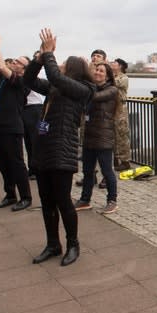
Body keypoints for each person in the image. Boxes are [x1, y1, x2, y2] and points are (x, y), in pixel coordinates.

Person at [23, 28, 95, 266]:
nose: (59, 65)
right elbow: (28, 80)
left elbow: (55, 76)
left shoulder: (82, 88)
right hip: (44, 148)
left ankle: (73, 243)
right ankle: (53, 243)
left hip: (62, 149)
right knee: (46, 200)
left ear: (72, 69)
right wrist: (37, 60)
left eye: (63, 63)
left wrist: (49, 53)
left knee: (63, 200)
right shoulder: (57, 87)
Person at [0, 33, 32, 212]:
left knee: (16, 164)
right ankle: (10, 194)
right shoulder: (4, 78)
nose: (15, 63)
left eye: (19, 62)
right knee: (3, 164)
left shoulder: (22, 80)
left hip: (12, 129)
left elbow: (2, 66)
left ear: (25, 68)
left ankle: (26, 196)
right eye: (15, 61)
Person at [74, 62, 119, 214]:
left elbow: (96, 96)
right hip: (89, 136)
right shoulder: (91, 88)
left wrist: (86, 84)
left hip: (103, 137)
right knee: (87, 171)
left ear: (107, 75)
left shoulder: (112, 90)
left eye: (101, 71)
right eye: (96, 70)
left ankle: (112, 200)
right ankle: (85, 199)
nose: (98, 73)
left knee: (107, 171)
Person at [22, 52, 46, 180]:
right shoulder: (27, 73)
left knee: (37, 140)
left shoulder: (45, 72)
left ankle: (38, 168)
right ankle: (32, 167)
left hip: (38, 108)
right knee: (28, 140)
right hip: (26, 108)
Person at [111, 58, 132, 172]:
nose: (112, 64)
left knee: (122, 134)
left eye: (114, 63)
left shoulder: (124, 77)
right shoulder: (112, 76)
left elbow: (115, 83)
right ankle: (116, 158)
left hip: (121, 109)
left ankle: (125, 161)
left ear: (120, 66)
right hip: (112, 108)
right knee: (113, 135)